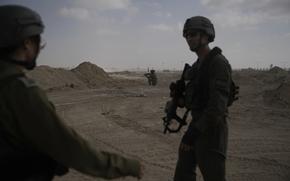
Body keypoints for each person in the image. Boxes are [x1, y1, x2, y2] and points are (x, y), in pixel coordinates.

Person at [0, 5, 143, 180]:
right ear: (27, 43)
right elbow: (68, 146)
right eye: (38, 42)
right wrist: (126, 165)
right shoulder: (20, 91)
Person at [173, 16, 232, 181]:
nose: (189, 38)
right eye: (186, 35)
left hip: (212, 130)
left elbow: (217, 108)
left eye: (193, 34)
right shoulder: (198, 64)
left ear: (206, 36)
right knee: (183, 173)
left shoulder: (218, 63)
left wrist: (192, 133)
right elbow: (198, 98)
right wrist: (180, 100)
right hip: (198, 124)